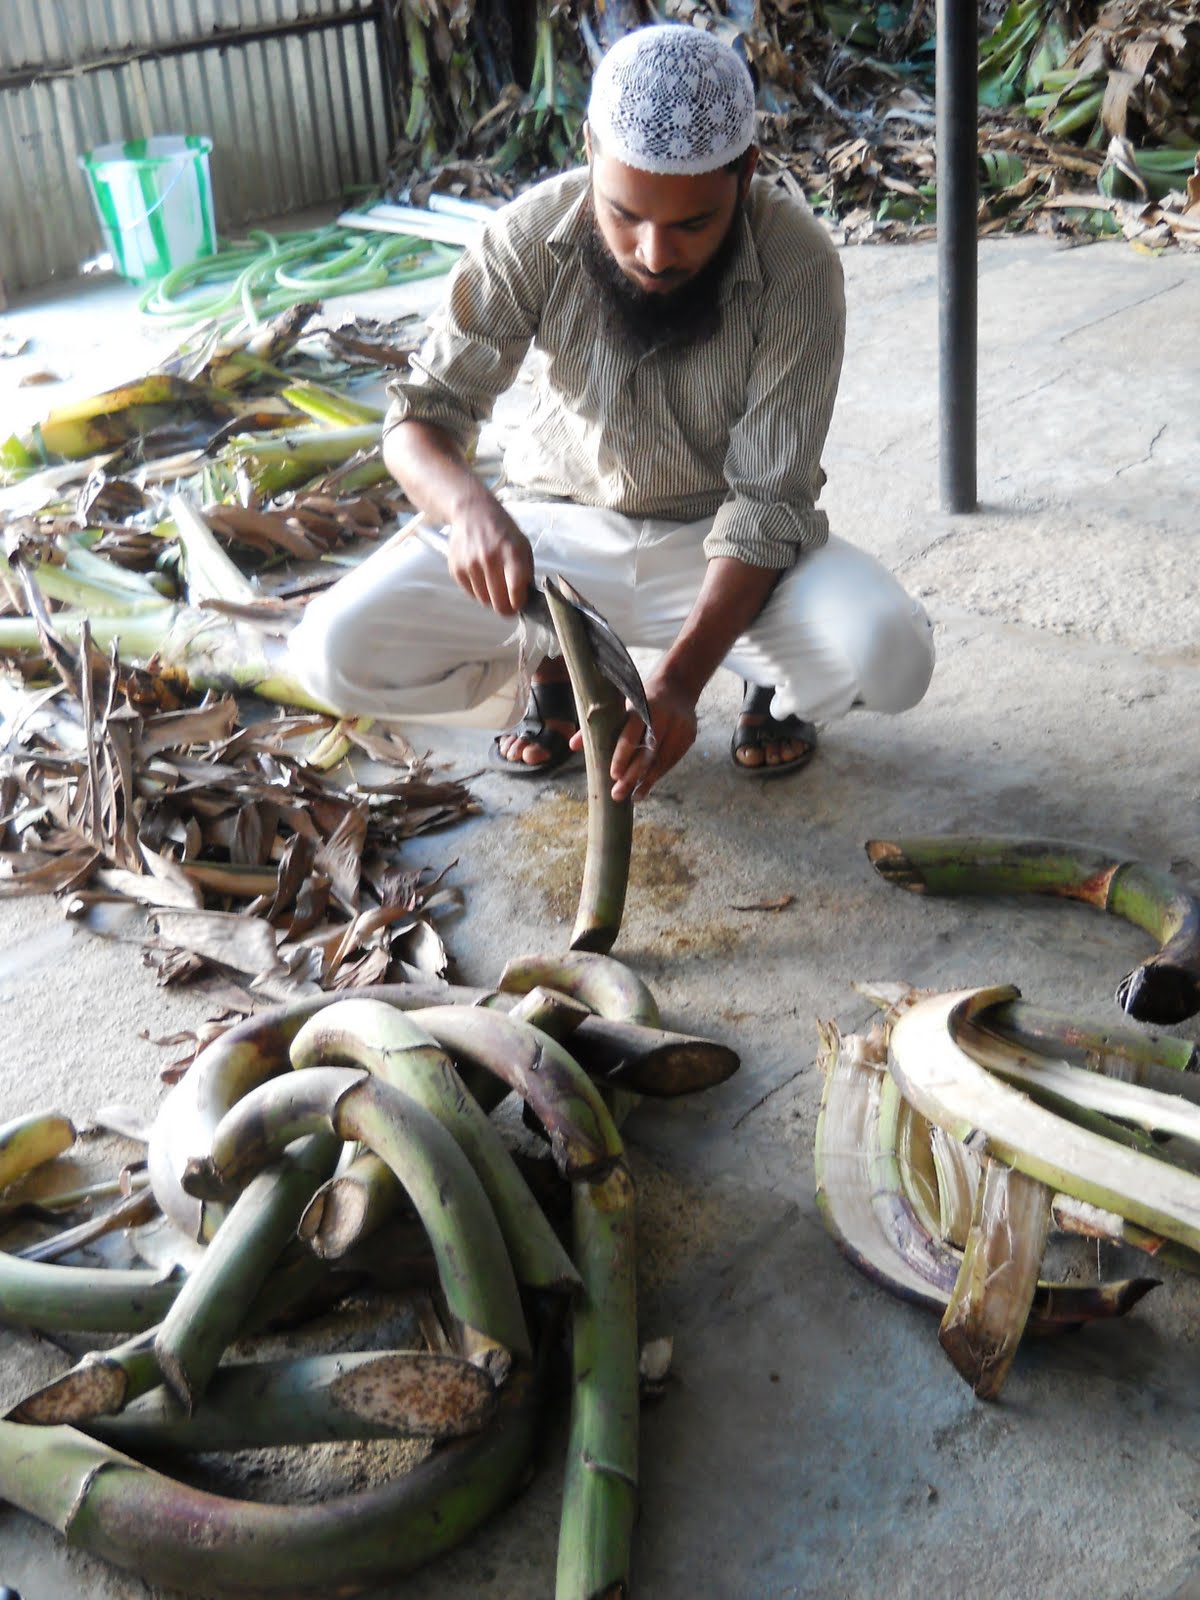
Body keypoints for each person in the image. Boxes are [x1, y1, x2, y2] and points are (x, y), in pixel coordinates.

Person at [288, 23, 934, 800]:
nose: (655, 253)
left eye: (693, 223)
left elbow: (769, 500)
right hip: (555, 535)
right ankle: (556, 665)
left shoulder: (799, 263)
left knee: (892, 655)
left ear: (746, 173)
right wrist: (468, 511)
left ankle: (758, 676)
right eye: (625, 214)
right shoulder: (526, 234)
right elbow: (421, 418)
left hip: (722, 543)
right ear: (590, 152)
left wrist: (680, 685)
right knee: (332, 652)